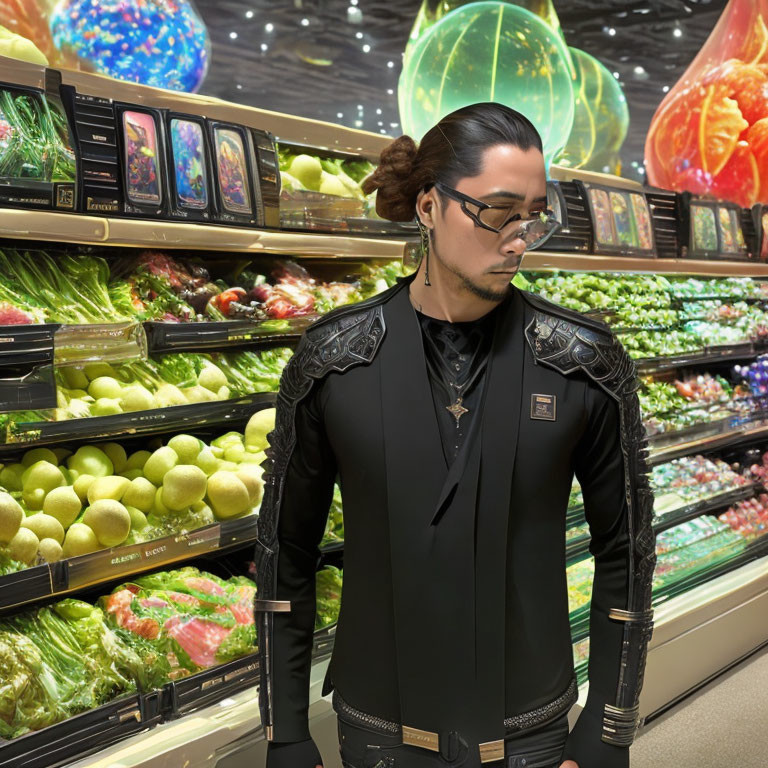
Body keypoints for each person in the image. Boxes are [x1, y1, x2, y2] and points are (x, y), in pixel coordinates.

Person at [255, 102, 656, 768]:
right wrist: (286, 732)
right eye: (497, 211)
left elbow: (629, 551)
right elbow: (283, 554)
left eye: (533, 214)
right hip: (378, 732)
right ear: (428, 206)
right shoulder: (333, 359)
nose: (519, 238)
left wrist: (609, 732)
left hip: (533, 731)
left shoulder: (584, 361)